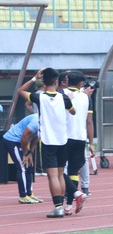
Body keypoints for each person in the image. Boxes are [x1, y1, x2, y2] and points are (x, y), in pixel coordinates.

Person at [18, 68, 76, 218]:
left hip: (48, 141)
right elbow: (73, 111)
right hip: (62, 140)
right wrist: (69, 101)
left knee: (52, 176)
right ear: (57, 82)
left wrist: (33, 79)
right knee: (60, 174)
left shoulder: (39, 97)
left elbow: (20, 91)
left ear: (43, 82)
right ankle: (61, 206)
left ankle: (57, 208)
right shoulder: (64, 98)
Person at [62, 71, 93, 215]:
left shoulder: (62, 93)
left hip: (65, 137)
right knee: (74, 171)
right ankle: (68, 205)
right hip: (80, 137)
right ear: (81, 83)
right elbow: (88, 120)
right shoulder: (85, 97)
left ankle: (75, 193)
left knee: (57, 170)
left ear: (67, 80)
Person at [2, 112, 42, 204]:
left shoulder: (47, 123)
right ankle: (23, 196)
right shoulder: (36, 122)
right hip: (12, 140)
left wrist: (30, 152)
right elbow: (24, 136)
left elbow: (36, 138)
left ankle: (30, 193)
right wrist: (25, 154)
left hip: (22, 141)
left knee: (29, 165)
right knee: (22, 166)